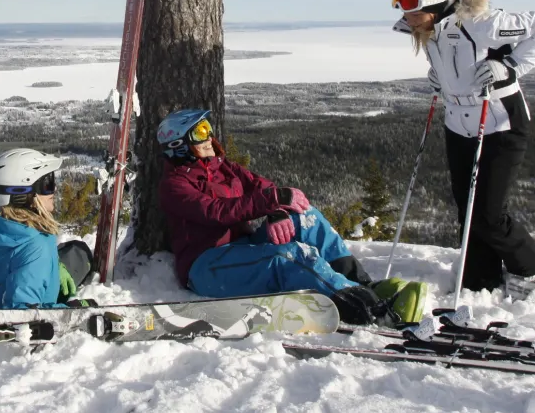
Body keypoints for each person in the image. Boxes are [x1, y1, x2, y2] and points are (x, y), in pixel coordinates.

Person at [156, 109, 426, 326]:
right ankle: (370, 311)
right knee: (287, 256)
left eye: (208, 128)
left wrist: (277, 212)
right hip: (207, 266)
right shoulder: (174, 186)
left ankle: (362, 285)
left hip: (243, 250)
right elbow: (216, 212)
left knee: (306, 217)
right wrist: (273, 201)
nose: (209, 136)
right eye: (200, 131)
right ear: (179, 144)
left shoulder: (222, 167)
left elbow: (262, 187)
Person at [391, 0, 535, 300]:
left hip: (499, 120)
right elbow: (451, 61)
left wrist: (509, 68)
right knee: (466, 209)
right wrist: (439, 78)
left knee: (488, 215)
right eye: (400, 1)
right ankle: (480, 277)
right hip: (458, 123)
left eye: (410, 4)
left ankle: (528, 268)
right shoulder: (429, 27)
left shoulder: (482, 24)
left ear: (434, 2)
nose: (403, 12)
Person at [0, 148, 96, 309]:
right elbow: (22, 314)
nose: (54, 189)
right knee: (80, 253)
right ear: (22, 193)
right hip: (16, 308)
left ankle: (57, 266)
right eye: (47, 184)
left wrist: (52, 265)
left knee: (75, 249)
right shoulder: (35, 247)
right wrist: (73, 309)